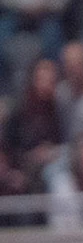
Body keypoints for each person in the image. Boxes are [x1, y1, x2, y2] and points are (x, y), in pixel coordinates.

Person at [3, 57, 63, 195]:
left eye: (51, 81)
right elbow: (9, 147)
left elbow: (62, 142)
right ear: (33, 80)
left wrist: (52, 152)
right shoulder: (18, 109)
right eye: (42, 79)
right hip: (20, 167)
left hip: (51, 166)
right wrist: (31, 157)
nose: (46, 85)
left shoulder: (58, 109)